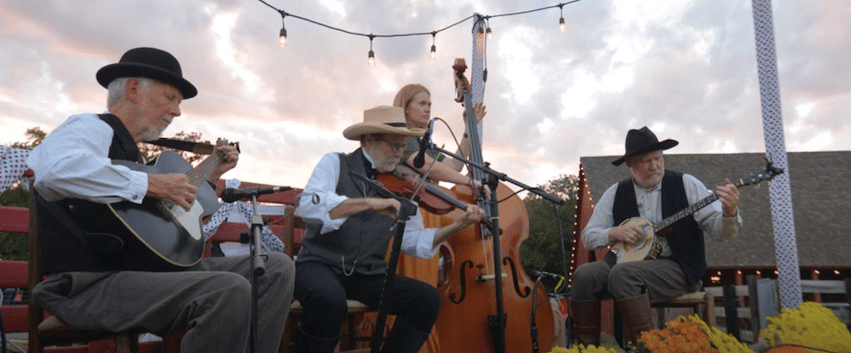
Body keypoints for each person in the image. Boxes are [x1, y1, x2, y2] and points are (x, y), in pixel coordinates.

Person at [26, 47, 295, 353]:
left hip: (143, 274)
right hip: (87, 286)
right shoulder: (90, 127)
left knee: (276, 268)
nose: (178, 111)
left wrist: (210, 175)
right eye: (170, 98)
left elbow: (159, 225)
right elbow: (53, 171)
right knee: (227, 289)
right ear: (134, 88)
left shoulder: (135, 156)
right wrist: (151, 184)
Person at [292, 105, 486, 353]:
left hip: (366, 273)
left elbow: (414, 242)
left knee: (426, 299)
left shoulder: (404, 183)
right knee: (328, 301)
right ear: (369, 140)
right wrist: (370, 203)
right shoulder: (335, 163)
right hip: (319, 264)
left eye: (403, 147)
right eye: (394, 146)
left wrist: (457, 226)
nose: (399, 154)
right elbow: (308, 206)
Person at [570, 126, 742, 346]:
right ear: (631, 165)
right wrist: (614, 232)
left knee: (623, 275)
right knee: (585, 274)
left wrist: (729, 213)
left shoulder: (686, 184)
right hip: (626, 263)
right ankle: (587, 349)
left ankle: (647, 348)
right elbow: (588, 236)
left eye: (658, 158)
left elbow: (722, 234)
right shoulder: (615, 193)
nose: (655, 165)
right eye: (646, 161)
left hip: (677, 266)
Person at [392, 83, 488, 194]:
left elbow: (455, 165)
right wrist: (469, 182)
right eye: (422, 104)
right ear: (406, 108)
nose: (427, 109)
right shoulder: (402, 135)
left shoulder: (422, 142)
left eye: (429, 105)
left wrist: (468, 129)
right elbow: (427, 166)